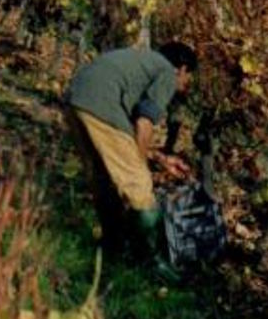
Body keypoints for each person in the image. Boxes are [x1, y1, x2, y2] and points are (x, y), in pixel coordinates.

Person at [65, 42, 197, 276]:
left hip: (76, 99)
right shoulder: (167, 71)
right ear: (182, 69)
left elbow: (122, 139)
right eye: (189, 78)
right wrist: (141, 168)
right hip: (102, 106)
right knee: (140, 187)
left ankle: (111, 251)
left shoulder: (140, 62)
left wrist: (160, 159)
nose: (186, 84)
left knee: (104, 180)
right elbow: (143, 124)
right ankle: (150, 262)